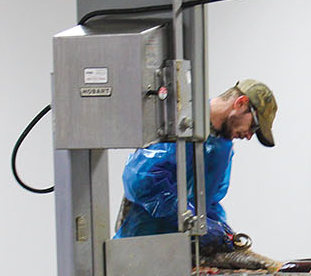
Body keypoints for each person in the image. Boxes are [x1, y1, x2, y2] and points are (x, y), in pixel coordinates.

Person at [114, 80, 278, 247]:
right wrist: (190, 218)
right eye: (253, 126)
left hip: (183, 254)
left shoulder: (222, 148)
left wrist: (220, 229)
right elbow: (141, 182)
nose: (249, 136)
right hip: (142, 245)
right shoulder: (180, 126)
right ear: (240, 103)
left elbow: (210, 201)